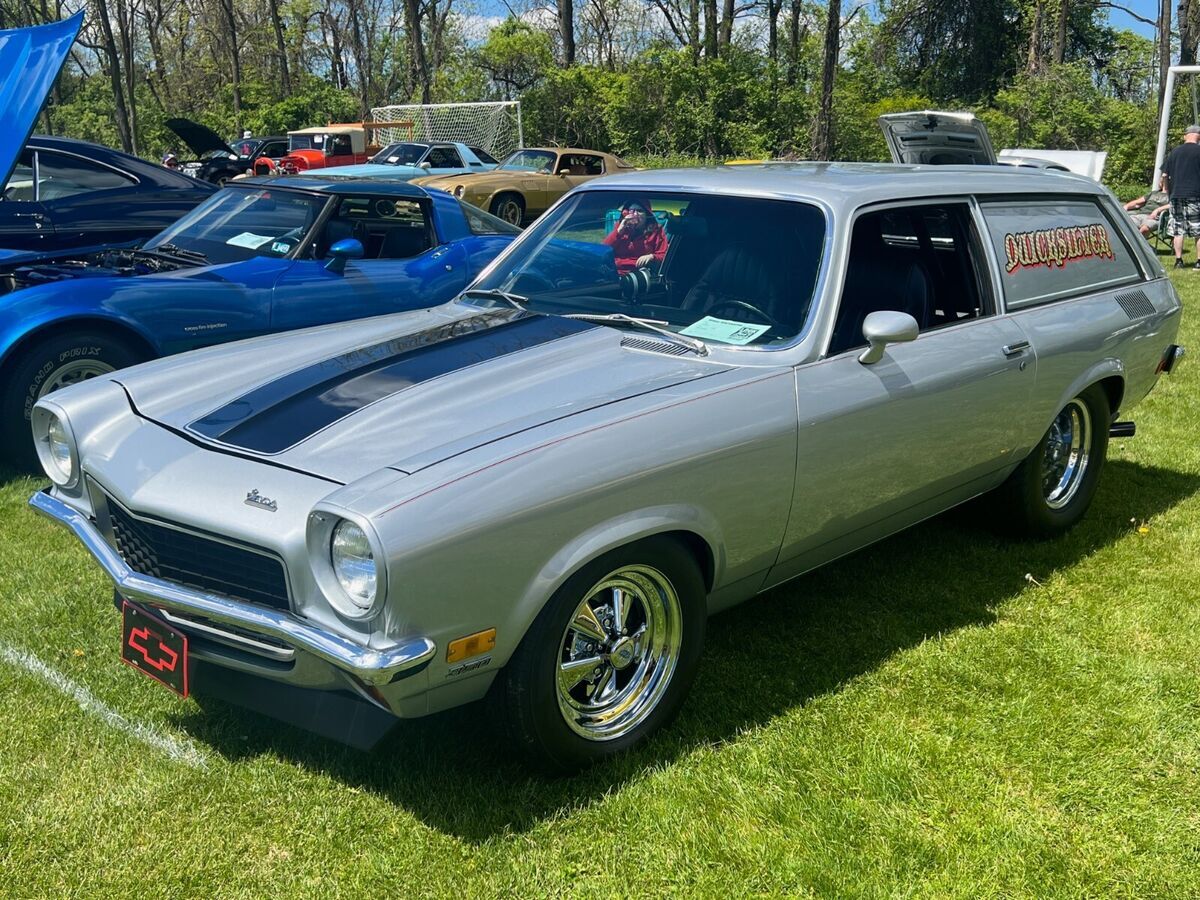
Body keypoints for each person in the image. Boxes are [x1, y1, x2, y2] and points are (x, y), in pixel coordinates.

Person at [1160, 123, 1200, 267]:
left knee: (1178, 229)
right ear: (1198, 137)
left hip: (1176, 195)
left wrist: (1166, 191)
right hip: (1195, 195)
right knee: (1198, 229)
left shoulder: (1175, 152)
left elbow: (1164, 174)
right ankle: (1199, 262)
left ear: (1185, 136)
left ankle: (1178, 261)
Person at [603, 200, 668, 275]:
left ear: (647, 214)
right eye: (632, 211)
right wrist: (619, 231)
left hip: (638, 272)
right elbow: (604, 250)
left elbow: (664, 255)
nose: (635, 214)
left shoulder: (656, 230)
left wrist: (652, 256)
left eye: (639, 211)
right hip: (615, 270)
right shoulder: (620, 227)